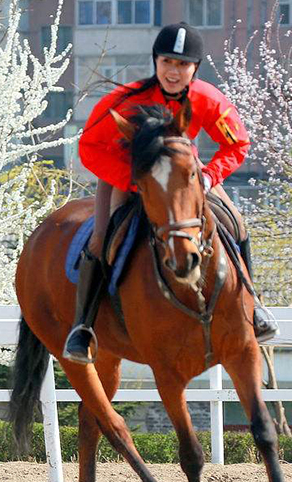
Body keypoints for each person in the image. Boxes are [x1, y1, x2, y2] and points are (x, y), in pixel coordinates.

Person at [63, 22, 278, 364]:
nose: (173, 72)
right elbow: (89, 147)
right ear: (156, 62)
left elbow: (237, 144)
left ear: (195, 68)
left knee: (236, 224)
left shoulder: (208, 99)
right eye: (166, 62)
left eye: (182, 64)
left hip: (186, 180)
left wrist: (209, 178)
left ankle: (254, 306)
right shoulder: (127, 100)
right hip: (128, 178)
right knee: (102, 238)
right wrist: (138, 183)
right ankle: (83, 328)